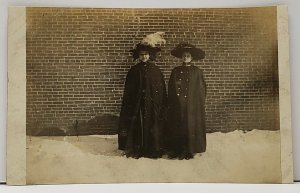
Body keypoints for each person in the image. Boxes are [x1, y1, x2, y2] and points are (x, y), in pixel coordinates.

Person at [118, 43, 167, 159]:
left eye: (146, 54)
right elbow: (129, 90)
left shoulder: (156, 70)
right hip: (138, 105)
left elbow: (160, 89)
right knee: (138, 125)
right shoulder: (134, 70)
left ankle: (151, 149)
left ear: (150, 56)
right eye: (141, 54)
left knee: (151, 125)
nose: (144, 57)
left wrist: (158, 102)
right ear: (138, 56)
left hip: (151, 105)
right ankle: (137, 148)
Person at [166, 42, 207, 160]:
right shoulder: (176, 71)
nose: (185, 58)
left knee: (190, 126)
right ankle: (178, 150)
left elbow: (201, 88)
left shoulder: (197, 71)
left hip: (192, 105)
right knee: (178, 126)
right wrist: (173, 102)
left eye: (188, 56)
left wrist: (197, 103)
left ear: (192, 58)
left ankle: (190, 150)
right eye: (184, 56)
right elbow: (171, 87)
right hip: (178, 105)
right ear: (181, 57)